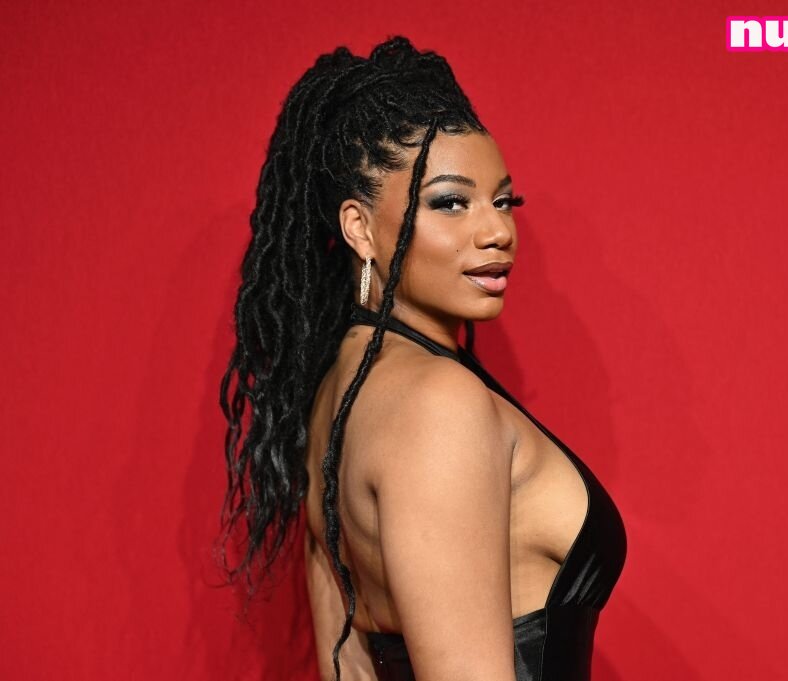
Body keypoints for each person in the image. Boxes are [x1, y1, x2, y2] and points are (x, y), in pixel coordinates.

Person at [218, 35, 627, 681]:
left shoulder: (337, 392)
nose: (497, 231)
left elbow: (347, 666)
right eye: (450, 202)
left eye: (503, 201)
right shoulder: (439, 404)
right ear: (359, 227)